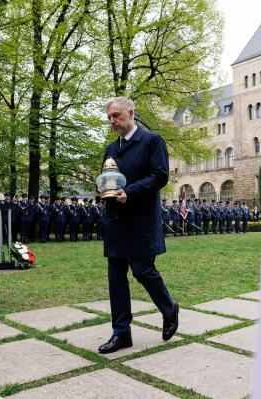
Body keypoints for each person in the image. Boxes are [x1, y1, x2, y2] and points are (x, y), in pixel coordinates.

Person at [97, 97, 178, 354]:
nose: (112, 121)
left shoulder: (152, 141)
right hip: (116, 220)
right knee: (116, 277)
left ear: (130, 113)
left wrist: (129, 192)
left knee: (143, 270)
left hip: (141, 218)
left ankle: (169, 308)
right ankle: (121, 333)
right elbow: (108, 178)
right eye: (109, 117)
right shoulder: (111, 148)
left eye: (116, 115)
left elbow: (160, 175)